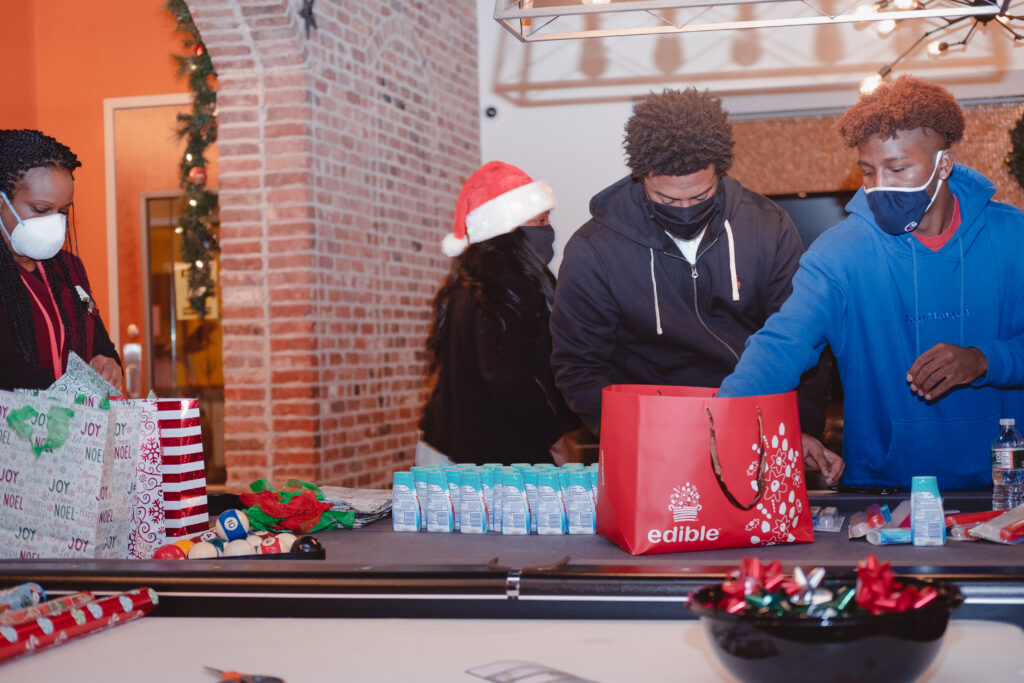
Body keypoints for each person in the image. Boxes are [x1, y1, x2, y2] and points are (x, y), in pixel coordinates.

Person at [719, 75, 1024, 491]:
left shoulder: (1013, 237)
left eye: (898, 168)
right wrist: (724, 423)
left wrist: (984, 359)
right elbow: (779, 346)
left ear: (944, 164)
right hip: (883, 494)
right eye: (868, 172)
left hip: (1003, 488)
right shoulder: (839, 253)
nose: (881, 186)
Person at [550, 88, 828, 443]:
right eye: (665, 198)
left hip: (753, 419)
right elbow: (579, 364)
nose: (684, 209)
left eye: (700, 196)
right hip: (650, 431)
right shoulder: (595, 249)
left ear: (720, 173)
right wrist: (631, 438)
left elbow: (802, 337)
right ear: (641, 179)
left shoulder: (767, 228)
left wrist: (799, 429)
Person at [418, 161, 580, 466]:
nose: (549, 231)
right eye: (539, 220)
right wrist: (558, 442)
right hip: (484, 464)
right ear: (507, 229)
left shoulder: (471, 280)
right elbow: (504, 373)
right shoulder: (508, 282)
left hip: (449, 451)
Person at [0, 129, 122, 391]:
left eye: (63, 211)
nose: (55, 222)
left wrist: (108, 365)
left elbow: (101, 344)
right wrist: (71, 395)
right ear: (2, 202)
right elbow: (7, 367)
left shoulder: (70, 269)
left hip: (74, 425)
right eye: (42, 209)